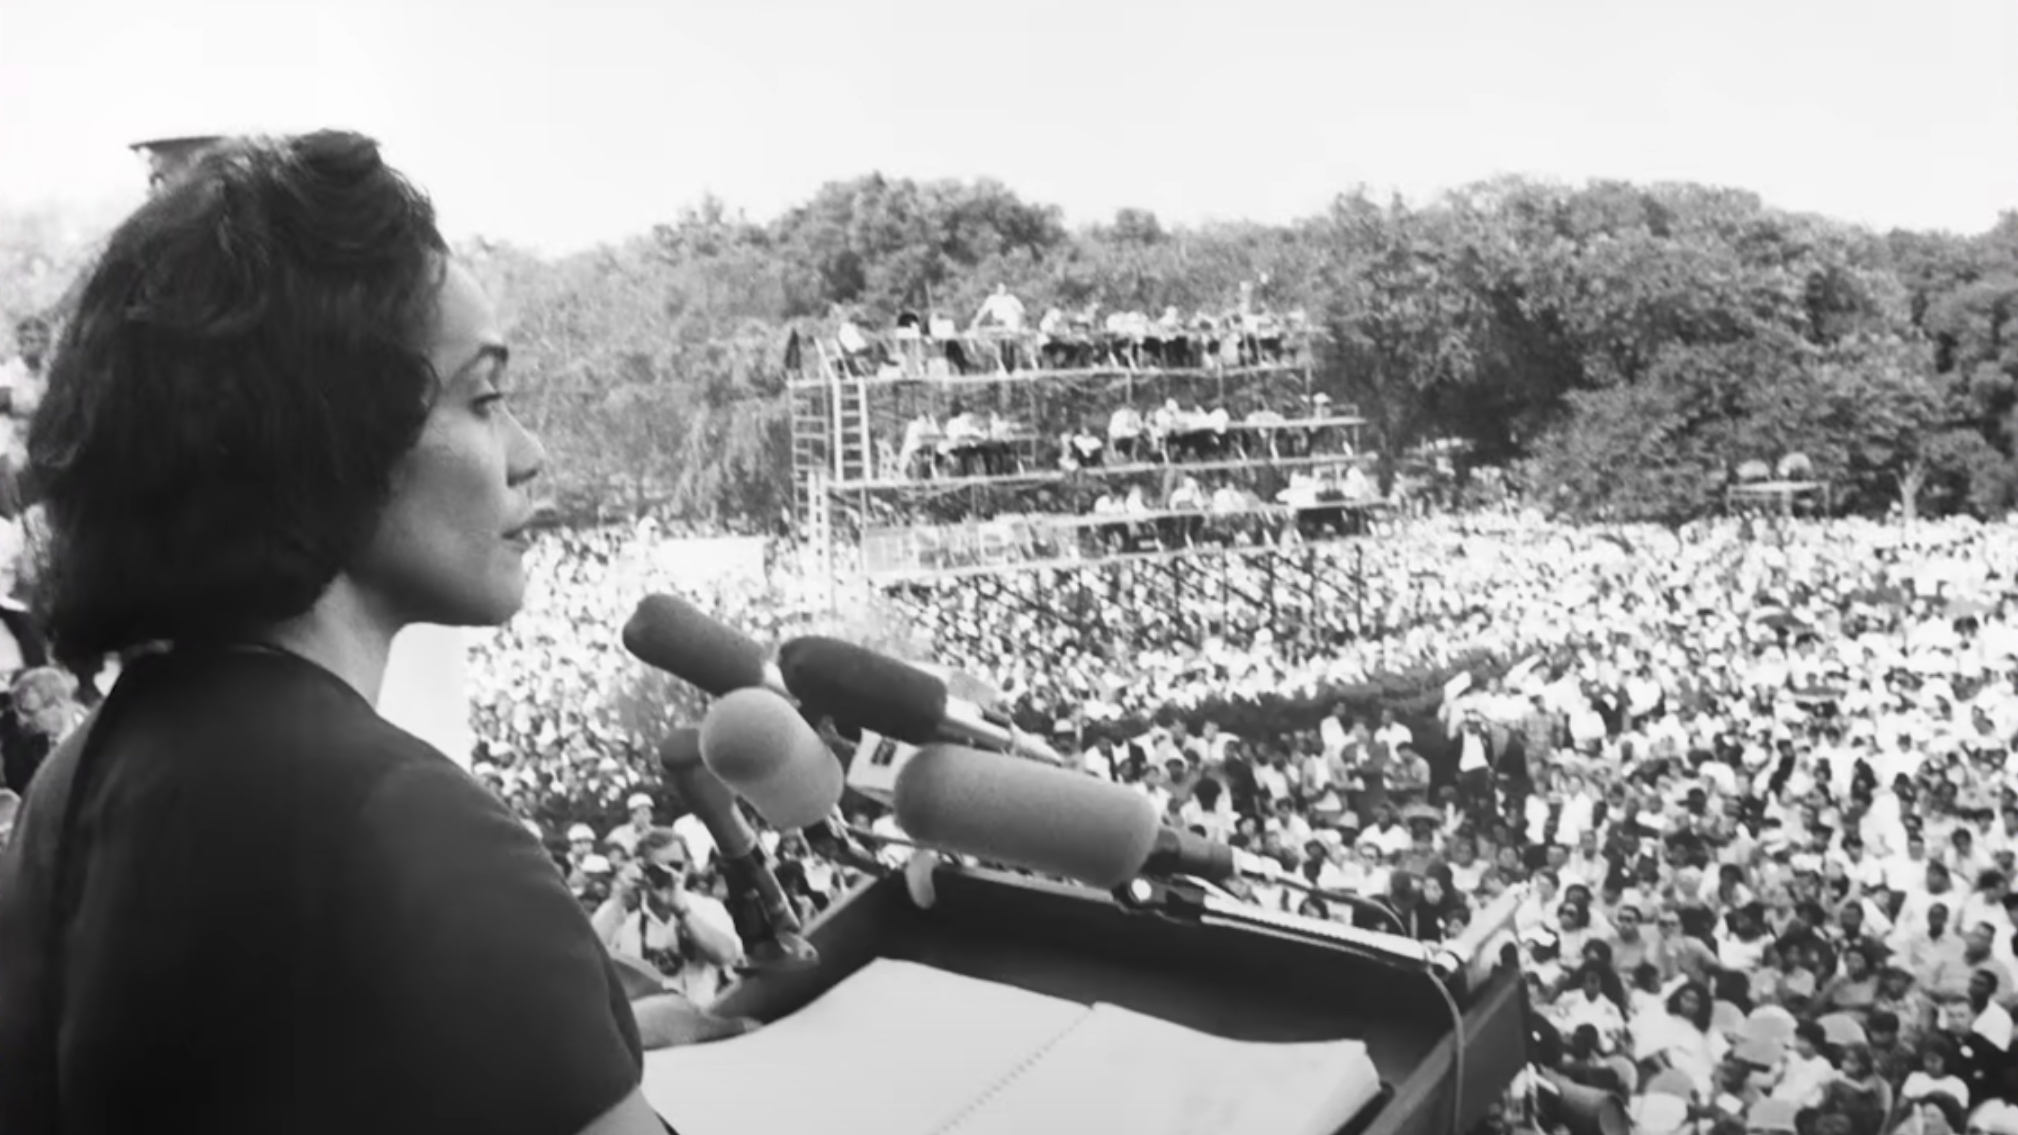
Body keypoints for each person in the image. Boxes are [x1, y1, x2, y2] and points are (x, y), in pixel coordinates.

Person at [0, 131, 746, 1135]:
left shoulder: (77, 777)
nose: (528, 454)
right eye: (484, 398)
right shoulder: (406, 828)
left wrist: (558, 1040)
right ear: (323, 439)